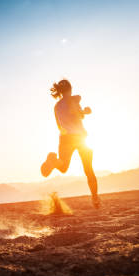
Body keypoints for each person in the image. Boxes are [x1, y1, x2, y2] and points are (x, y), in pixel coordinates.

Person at [40, 79, 101, 209]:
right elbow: (77, 114)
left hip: (65, 138)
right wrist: (86, 111)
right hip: (80, 138)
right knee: (88, 170)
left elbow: (59, 126)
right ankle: (95, 198)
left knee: (63, 167)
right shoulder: (74, 99)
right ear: (70, 88)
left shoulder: (56, 106)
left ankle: (53, 161)